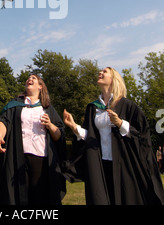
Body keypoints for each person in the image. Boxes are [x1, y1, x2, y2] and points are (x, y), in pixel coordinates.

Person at [63, 67, 164, 205]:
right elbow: (91, 136)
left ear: (113, 79)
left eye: (105, 72)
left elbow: (140, 134)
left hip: (123, 162)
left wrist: (120, 123)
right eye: (100, 71)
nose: (100, 73)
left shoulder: (127, 106)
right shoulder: (93, 108)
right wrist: (74, 127)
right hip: (100, 163)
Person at [0, 73, 67, 205]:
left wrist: (49, 125)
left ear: (41, 86)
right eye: (28, 78)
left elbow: (59, 135)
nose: (29, 79)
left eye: (34, 78)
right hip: (18, 156)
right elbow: (3, 121)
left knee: (39, 197)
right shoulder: (15, 105)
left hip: (41, 157)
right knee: (18, 195)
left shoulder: (47, 109)